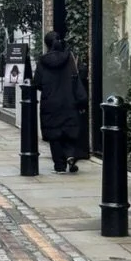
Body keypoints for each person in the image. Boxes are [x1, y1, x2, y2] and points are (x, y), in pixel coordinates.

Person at [36, 30, 84, 173]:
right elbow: (76, 78)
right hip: (69, 100)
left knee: (54, 134)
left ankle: (59, 166)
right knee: (69, 130)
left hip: (50, 103)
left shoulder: (43, 61)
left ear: (47, 44)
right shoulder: (68, 58)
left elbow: (37, 82)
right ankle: (70, 155)